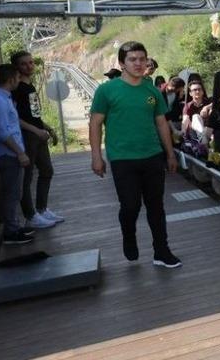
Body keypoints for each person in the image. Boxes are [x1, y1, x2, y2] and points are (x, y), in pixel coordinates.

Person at [89, 41, 182, 268]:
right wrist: (96, 156)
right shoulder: (106, 90)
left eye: (142, 59)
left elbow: (161, 124)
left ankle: (161, 251)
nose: (139, 63)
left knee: (156, 206)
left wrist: (170, 154)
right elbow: (95, 124)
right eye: (133, 59)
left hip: (152, 155)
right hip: (122, 158)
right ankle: (129, 235)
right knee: (130, 206)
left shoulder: (152, 91)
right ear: (122, 63)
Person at [10, 51, 63, 229]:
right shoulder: (17, 90)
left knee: (47, 170)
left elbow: (35, 114)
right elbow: (15, 117)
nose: (29, 66)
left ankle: (42, 209)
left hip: (39, 134)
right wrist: (36, 130)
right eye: (24, 64)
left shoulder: (31, 87)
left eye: (31, 62)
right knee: (27, 177)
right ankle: (30, 215)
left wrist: (48, 128)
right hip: (28, 135)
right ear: (16, 67)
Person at [0, 64, 34, 245]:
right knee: (11, 194)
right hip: (7, 155)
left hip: (10, 154)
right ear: (11, 79)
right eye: (17, 77)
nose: (19, 80)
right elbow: (2, 132)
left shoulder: (4, 99)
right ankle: (10, 232)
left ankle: (14, 225)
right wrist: (20, 152)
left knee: (15, 192)